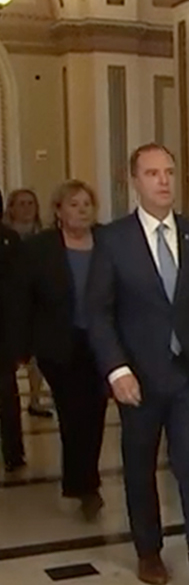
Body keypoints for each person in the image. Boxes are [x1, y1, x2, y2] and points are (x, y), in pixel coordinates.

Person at [86, 143, 189, 585]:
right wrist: (116, 370)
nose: (163, 180)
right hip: (139, 378)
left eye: (169, 171)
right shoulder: (113, 240)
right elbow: (98, 312)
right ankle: (148, 550)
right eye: (152, 173)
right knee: (140, 466)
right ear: (134, 181)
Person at [23, 180, 107, 520]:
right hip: (59, 343)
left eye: (87, 204)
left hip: (99, 341)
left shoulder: (107, 241)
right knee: (73, 412)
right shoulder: (40, 248)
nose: (82, 210)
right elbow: (24, 298)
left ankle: (84, 481)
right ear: (58, 211)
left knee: (96, 412)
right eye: (74, 204)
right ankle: (84, 485)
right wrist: (24, 344)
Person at [3, 188, 50, 418]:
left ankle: (35, 397)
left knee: (36, 357)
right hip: (12, 305)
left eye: (30, 203)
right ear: (11, 208)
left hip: (38, 302)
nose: (26, 208)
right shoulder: (7, 237)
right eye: (21, 203)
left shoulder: (45, 236)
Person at [0, 193, 27, 473]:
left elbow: (17, 293)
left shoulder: (9, 240)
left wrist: (19, 340)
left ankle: (13, 450)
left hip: (4, 331)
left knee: (7, 395)